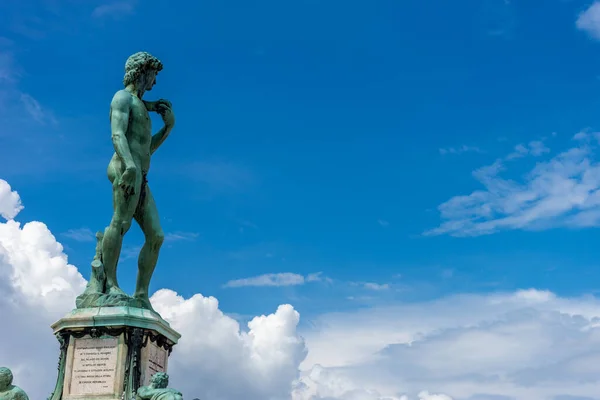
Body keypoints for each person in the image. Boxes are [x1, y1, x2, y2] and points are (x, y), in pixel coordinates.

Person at [100, 51, 176, 311]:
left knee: (156, 235)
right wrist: (130, 166)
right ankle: (109, 284)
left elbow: (146, 149)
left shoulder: (141, 105)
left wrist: (167, 129)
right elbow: (117, 134)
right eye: (153, 76)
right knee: (120, 223)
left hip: (139, 173)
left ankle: (141, 295)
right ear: (143, 72)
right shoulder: (122, 98)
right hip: (124, 168)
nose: (154, 83)